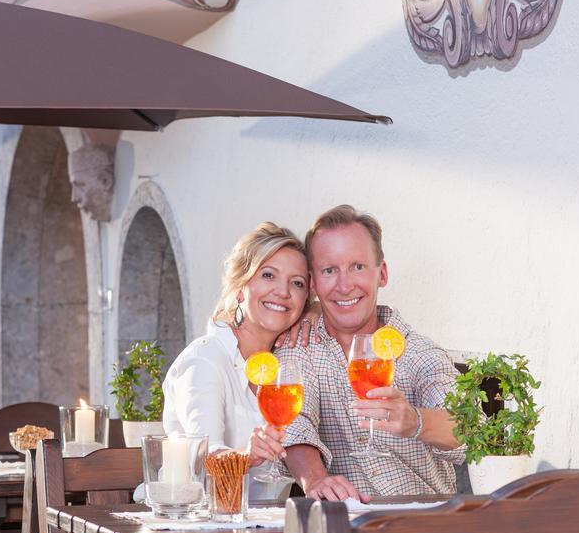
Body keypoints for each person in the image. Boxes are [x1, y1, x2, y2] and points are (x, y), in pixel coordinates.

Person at [252, 205, 465, 501]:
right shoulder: (300, 347)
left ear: (383, 273)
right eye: (329, 270)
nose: (344, 285)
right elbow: (294, 424)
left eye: (358, 267)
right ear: (313, 283)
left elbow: (467, 427)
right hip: (344, 530)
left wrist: (415, 421)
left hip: (423, 527)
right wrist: (315, 480)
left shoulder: (420, 354)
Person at [162, 221, 310, 481]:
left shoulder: (286, 365)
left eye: (297, 283)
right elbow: (203, 456)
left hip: (264, 518)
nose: (283, 292)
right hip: (194, 513)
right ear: (240, 288)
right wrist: (247, 456)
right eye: (268, 275)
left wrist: (316, 312)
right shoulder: (205, 359)